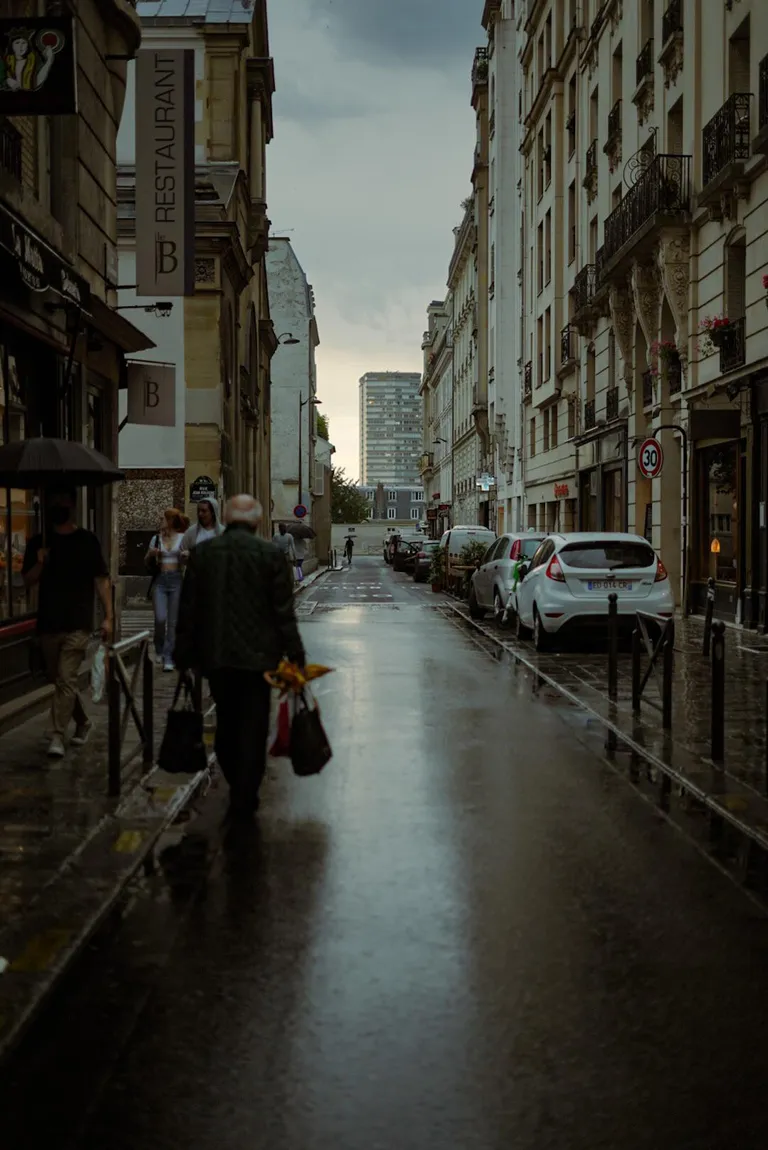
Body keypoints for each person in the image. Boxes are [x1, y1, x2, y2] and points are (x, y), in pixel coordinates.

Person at [175, 495, 305, 818]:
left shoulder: (204, 555)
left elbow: (189, 609)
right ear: (257, 522)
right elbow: (283, 612)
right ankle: (246, 789)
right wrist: (296, 653)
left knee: (227, 720)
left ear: (227, 519)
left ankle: (235, 777)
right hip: (260, 659)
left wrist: (183, 654)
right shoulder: (271, 555)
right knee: (254, 722)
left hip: (216, 657)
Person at [22, 487, 112, 758]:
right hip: (48, 623)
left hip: (78, 622)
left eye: (62, 501)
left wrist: (109, 616)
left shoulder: (87, 541)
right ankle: (83, 721)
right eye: (54, 501)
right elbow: (27, 580)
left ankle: (56, 735)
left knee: (66, 677)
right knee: (59, 679)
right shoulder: (39, 542)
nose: (58, 505)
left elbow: (101, 579)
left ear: (72, 505)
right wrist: (39, 563)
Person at [146, 508, 185, 672]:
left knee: (173, 622)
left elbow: (188, 560)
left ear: (170, 520)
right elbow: (146, 561)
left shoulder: (182, 538)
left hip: (176, 579)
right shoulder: (156, 539)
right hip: (160, 581)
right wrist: (151, 554)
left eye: (162, 518)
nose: (160, 520)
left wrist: (185, 556)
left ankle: (169, 656)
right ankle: (160, 648)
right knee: (160, 618)